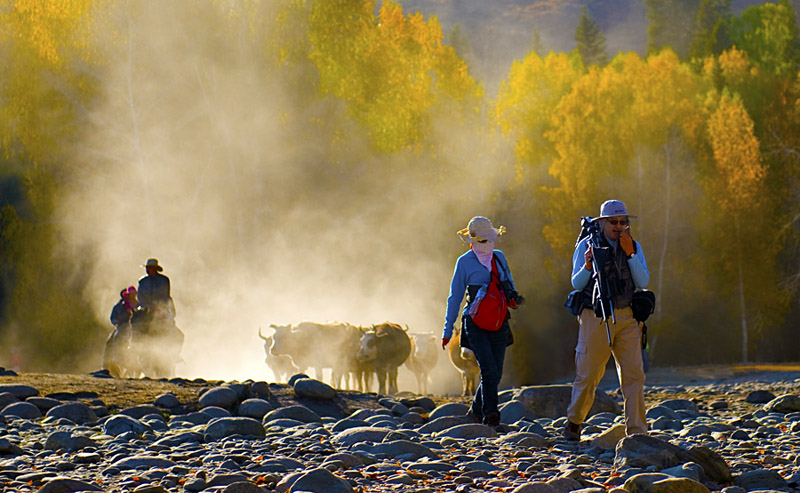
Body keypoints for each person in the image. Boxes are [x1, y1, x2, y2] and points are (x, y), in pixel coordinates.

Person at [564, 199, 650, 441]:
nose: (619, 226)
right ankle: (574, 423)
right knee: (588, 375)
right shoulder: (585, 246)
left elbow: (643, 282)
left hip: (628, 317)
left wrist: (631, 254)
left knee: (634, 376)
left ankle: (637, 432)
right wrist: (589, 265)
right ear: (602, 222)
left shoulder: (634, 246)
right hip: (595, 317)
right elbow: (576, 283)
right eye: (614, 221)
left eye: (624, 221)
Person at [442, 216, 520, 428]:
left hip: (499, 319)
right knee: (488, 370)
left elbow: (509, 283)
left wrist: (513, 297)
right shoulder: (464, 262)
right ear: (472, 241)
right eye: (484, 241)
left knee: (496, 371)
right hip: (474, 323)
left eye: (491, 240)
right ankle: (491, 418)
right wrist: (448, 330)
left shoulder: (500, 258)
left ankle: (475, 412)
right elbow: (455, 297)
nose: (488, 245)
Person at [104, 286, 138, 376]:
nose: (131, 296)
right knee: (112, 340)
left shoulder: (138, 305)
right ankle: (108, 363)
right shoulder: (119, 307)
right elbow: (113, 318)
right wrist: (117, 322)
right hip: (122, 326)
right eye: (129, 295)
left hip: (135, 326)